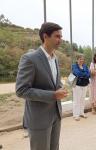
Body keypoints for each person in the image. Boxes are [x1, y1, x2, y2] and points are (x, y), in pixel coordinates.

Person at [16, 22, 67, 150]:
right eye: (57, 36)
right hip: (39, 118)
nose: (60, 40)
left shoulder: (55, 58)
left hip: (56, 115)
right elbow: (21, 90)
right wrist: (53, 95)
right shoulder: (30, 59)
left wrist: (60, 88)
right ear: (45, 36)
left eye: (61, 37)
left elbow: (53, 83)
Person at [72, 54, 90, 121]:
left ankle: (81, 113)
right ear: (77, 60)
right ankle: (75, 115)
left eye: (82, 59)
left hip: (85, 85)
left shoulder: (85, 66)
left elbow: (89, 74)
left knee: (82, 99)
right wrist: (84, 74)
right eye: (80, 59)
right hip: (77, 85)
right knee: (77, 100)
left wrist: (83, 75)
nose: (81, 60)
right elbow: (77, 73)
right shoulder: (74, 66)